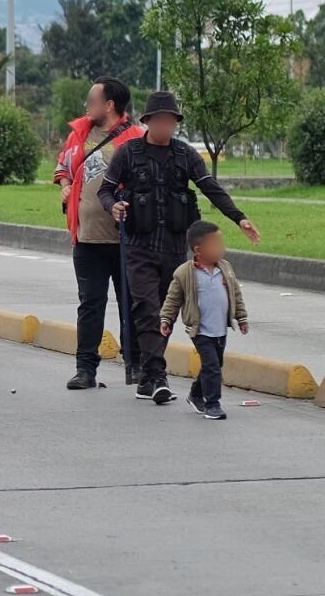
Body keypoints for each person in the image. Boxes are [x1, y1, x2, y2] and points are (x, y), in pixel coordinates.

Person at [98, 90, 259, 406]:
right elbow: (105, 190)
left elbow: (210, 188)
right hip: (138, 246)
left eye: (170, 121)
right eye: (159, 120)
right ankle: (158, 376)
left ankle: (146, 377)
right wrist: (113, 206)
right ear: (147, 121)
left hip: (174, 248)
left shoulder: (185, 155)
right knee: (146, 308)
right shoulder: (128, 153)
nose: (165, 125)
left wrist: (238, 218)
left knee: (165, 313)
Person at [55, 78, 146, 389]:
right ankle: (85, 369)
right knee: (90, 305)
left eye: (92, 100)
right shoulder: (78, 134)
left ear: (109, 105)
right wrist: (66, 187)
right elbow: (62, 167)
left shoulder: (135, 139)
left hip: (126, 240)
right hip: (87, 238)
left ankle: (136, 366)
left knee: (130, 304)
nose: (86, 105)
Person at [160, 221, 248, 421]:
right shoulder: (185, 273)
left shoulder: (225, 268)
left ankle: (196, 394)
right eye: (215, 244)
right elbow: (173, 299)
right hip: (201, 330)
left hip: (220, 329)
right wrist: (167, 319)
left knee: (215, 364)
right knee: (212, 366)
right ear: (198, 250)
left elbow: (235, 293)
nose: (221, 248)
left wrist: (241, 317)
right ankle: (212, 404)